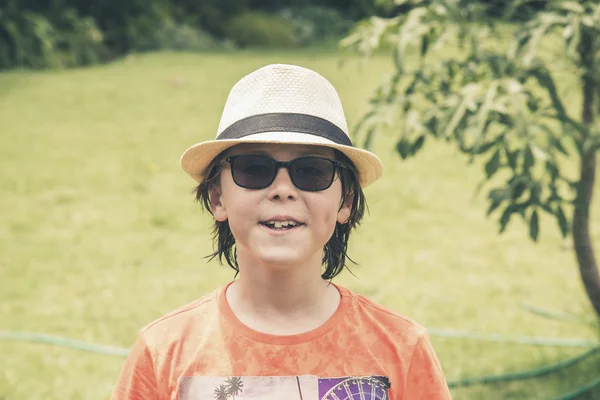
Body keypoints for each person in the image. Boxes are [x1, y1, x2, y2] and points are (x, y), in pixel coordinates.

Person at [111, 64, 452, 400]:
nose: (283, 190)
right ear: (217, 198)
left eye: (312, 171)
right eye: (255, 169)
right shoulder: (164, 351)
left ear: (345, 200)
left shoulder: (401, 348)